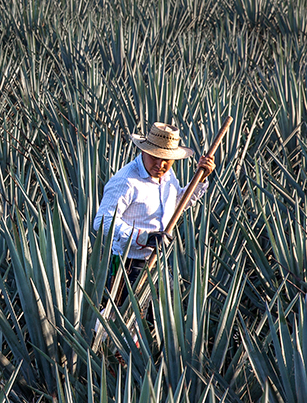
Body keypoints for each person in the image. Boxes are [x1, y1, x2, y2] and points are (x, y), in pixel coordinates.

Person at [93, 122, 217, 305]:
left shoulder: (167, 175)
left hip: (158, 262)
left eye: (167, 159)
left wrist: (201, 178)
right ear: (144, 151)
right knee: (125, 321)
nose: (160, 164)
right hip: (127, 266)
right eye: (155, 157)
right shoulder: (126, 180)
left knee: (156, 322)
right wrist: (143, 238)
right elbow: (103, 221)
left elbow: (177, 205)